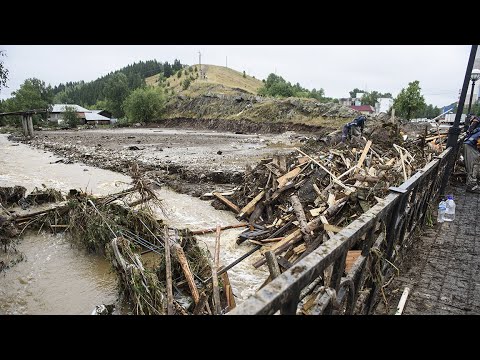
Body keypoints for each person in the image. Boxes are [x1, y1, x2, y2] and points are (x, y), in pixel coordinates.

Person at [463, 126, 480, 193]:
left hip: (469, 145)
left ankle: (471, 184)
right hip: (471, 147)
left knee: (473, 165)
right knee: (473, 166)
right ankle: (471, 186)